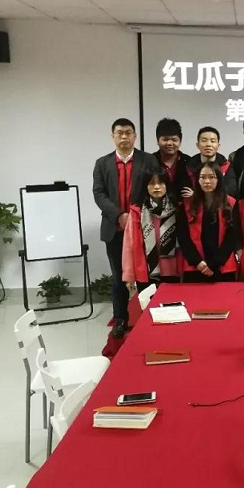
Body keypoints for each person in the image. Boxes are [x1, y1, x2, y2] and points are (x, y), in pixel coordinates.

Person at [92, 118, 159, 338]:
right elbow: (98, 193)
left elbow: (155, 188)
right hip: (115, 229)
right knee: (118, 277)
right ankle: (120, 319)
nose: (124, 137)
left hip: (142, 228)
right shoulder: (102, 163)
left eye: (128, 133)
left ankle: (147, 316)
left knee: (144, 274)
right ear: (112, 136)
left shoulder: (148, 160)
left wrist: (136, 214)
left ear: (135, 136)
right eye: (119, 133)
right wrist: (119, 215)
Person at [177, 162, 240, 282]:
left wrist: (215, 263)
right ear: (197, 180)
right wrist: (197, 262)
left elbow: (232, 236)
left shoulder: (231, 203)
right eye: (203, 177)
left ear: (219, 179)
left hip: (223, 267)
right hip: (195, 267)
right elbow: (183, 237)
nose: (207, 181)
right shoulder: (187, 204)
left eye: (211, 177)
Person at [122, 168, 182, 290]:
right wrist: (129, 275)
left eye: (160, 183)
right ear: (145, 186)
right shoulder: (137, 212)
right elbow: (129, 245)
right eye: (151, 183)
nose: (156, 187)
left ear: (167, 185)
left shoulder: (177, 209)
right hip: (146, 270)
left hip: (173, 269)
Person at [153, 117, 192, 198]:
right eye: (165, 139)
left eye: (174, 140)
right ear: (157, 141)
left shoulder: (189, 162)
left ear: (180, 141)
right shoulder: (149, 161)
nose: (169, 143)